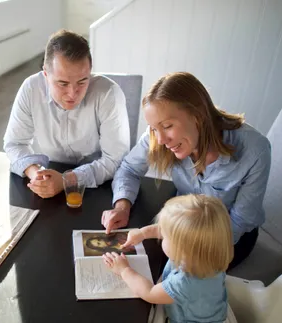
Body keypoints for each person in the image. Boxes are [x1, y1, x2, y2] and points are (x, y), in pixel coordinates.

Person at [102, 72, 271, 268]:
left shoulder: (255, 149)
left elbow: (240, 221)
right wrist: (122, 206)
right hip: (183, 221)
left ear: (198, 115)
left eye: (167, 126)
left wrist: (181, 242)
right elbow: (129, 168)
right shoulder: (158, 136)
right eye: (154, 128)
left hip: (228, 236)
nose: (162, 140)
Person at [3, 29, 130, 198]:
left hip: (100, 184)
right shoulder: (31, 88)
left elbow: (116, 160)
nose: (72, 93)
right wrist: (37, 175)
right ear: (46, 74)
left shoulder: (109, 94)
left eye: (82, 81)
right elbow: (14, 144)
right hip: (49, 177)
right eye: (62, 83)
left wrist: (66, 180)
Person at [103, 194, 237, 323]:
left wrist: (124, 270)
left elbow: (149, 293)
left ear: (181, 249)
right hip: (211, 309)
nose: (161, 234)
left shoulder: (184, 282)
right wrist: (142, 233)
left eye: (165, 236)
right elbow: (166, 229)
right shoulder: (207, 253)